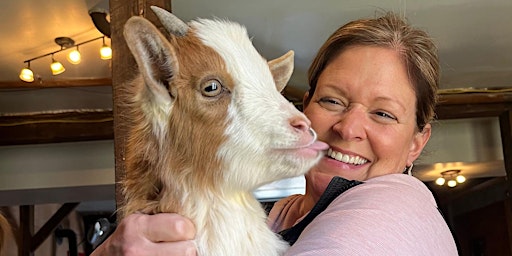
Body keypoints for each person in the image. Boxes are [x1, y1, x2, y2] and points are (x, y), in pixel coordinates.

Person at [92, 12, 458, 255]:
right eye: (332, 101)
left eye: (382, 113)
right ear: (306, 103)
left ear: (416, 143)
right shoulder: (275, 216)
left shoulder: (395, 207)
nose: (348, 128)